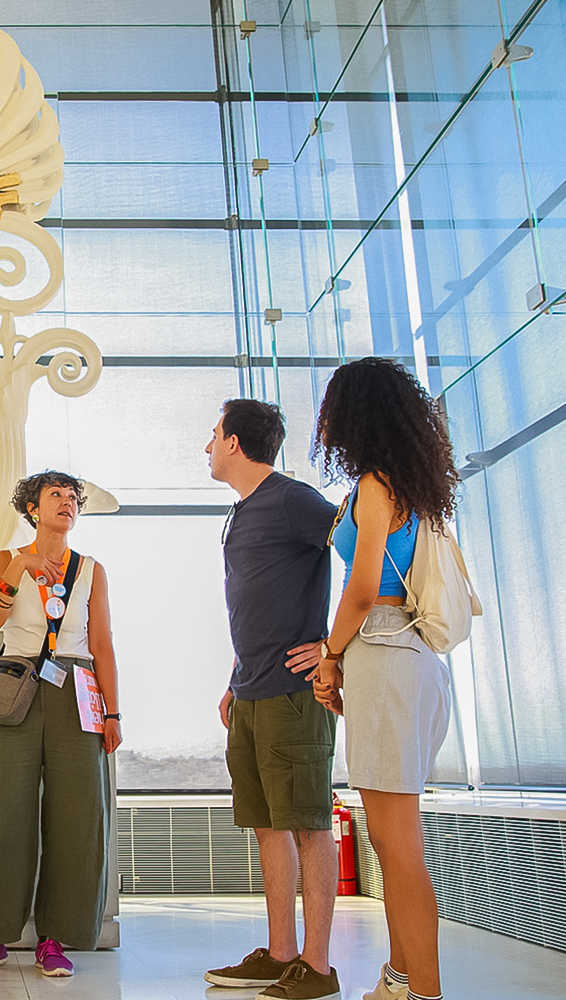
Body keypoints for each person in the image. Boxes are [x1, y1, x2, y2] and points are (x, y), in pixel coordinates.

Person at [310, 357, 462, 1000]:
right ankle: (400, 979)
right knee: (391, 837)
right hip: (408, 657)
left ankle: (421, 990)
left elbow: (363, 587)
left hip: (385, 645)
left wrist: (328, 654)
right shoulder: (409, 484)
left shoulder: (376, 484)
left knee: (397, 845)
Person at [0, 471, 123, 979]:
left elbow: (102, 644)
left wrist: (113, 712)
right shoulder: (8, 559)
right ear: (32, 509)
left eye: (72, 497)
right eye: (55, 495)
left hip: (76, 690)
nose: (67, 502)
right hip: (16, 685)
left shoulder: (91, 570)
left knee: (78, 817)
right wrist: (20, 567)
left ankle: (55, 940)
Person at [203, 399, 344, 1000]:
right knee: (267, 825)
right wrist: (234, 677)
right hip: (251, 690)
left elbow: (369, 550)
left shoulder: (292, 499)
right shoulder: (241, 511)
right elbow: (257, 605)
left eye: (213, 436)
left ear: (234, 443)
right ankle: (281, 954)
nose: (207, 447)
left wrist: (334, 647)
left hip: (294, 693)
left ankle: (318, 966)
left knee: (308, 824)